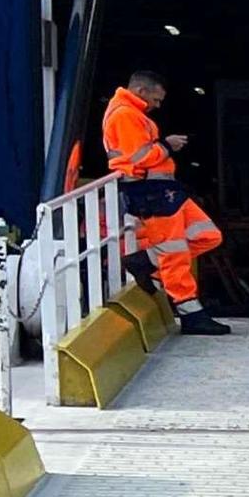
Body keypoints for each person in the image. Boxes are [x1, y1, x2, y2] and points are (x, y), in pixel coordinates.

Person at [102, 68, 231, 336]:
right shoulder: (125, 115)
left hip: (164, 189)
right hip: (151, 191)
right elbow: (139, 158)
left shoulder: (133, 114)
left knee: (208, 235)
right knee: (172, 251)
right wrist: (168, 145)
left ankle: (144, 261)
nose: (157, 105)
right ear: (141, 91)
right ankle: (190, 312)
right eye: (156, 99)